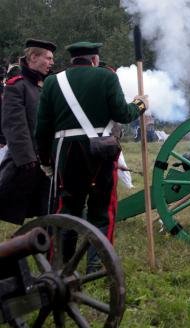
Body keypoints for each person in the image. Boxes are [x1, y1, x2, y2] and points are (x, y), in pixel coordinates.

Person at [35, 42, 147, 269]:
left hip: (66, 153)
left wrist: (46, 160)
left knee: (67, 208)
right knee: (102, 208)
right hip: (100, 152)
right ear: (94, 59)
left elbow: (43, 129)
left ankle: (61, 262)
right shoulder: (107, 78)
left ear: (72, 60)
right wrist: (140, 105)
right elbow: (123, 114)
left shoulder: (52, 82)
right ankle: (96, 265)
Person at [0, 39, 56, 224]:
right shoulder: (17, 86)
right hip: (24, 163)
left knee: (48, 212)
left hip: (47, 161)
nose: (52, 62)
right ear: (33, 57)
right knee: (14, 209)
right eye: (48, 58)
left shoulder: (48, 86)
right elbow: (14, 126)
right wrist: (27, 159)